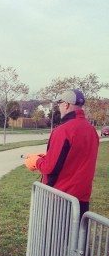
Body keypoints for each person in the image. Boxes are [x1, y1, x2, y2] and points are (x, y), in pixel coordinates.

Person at [25, 89, 99, 218]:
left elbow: (50, 168)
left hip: (60, 199)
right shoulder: (92, 131)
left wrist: (35, 161)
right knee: (75, 238)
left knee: (55, 237)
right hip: (82, 199)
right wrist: (46, 156)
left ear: (66, 105)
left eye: (59, 103)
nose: (59, 107)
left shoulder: (62, 131)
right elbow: (76, 158)